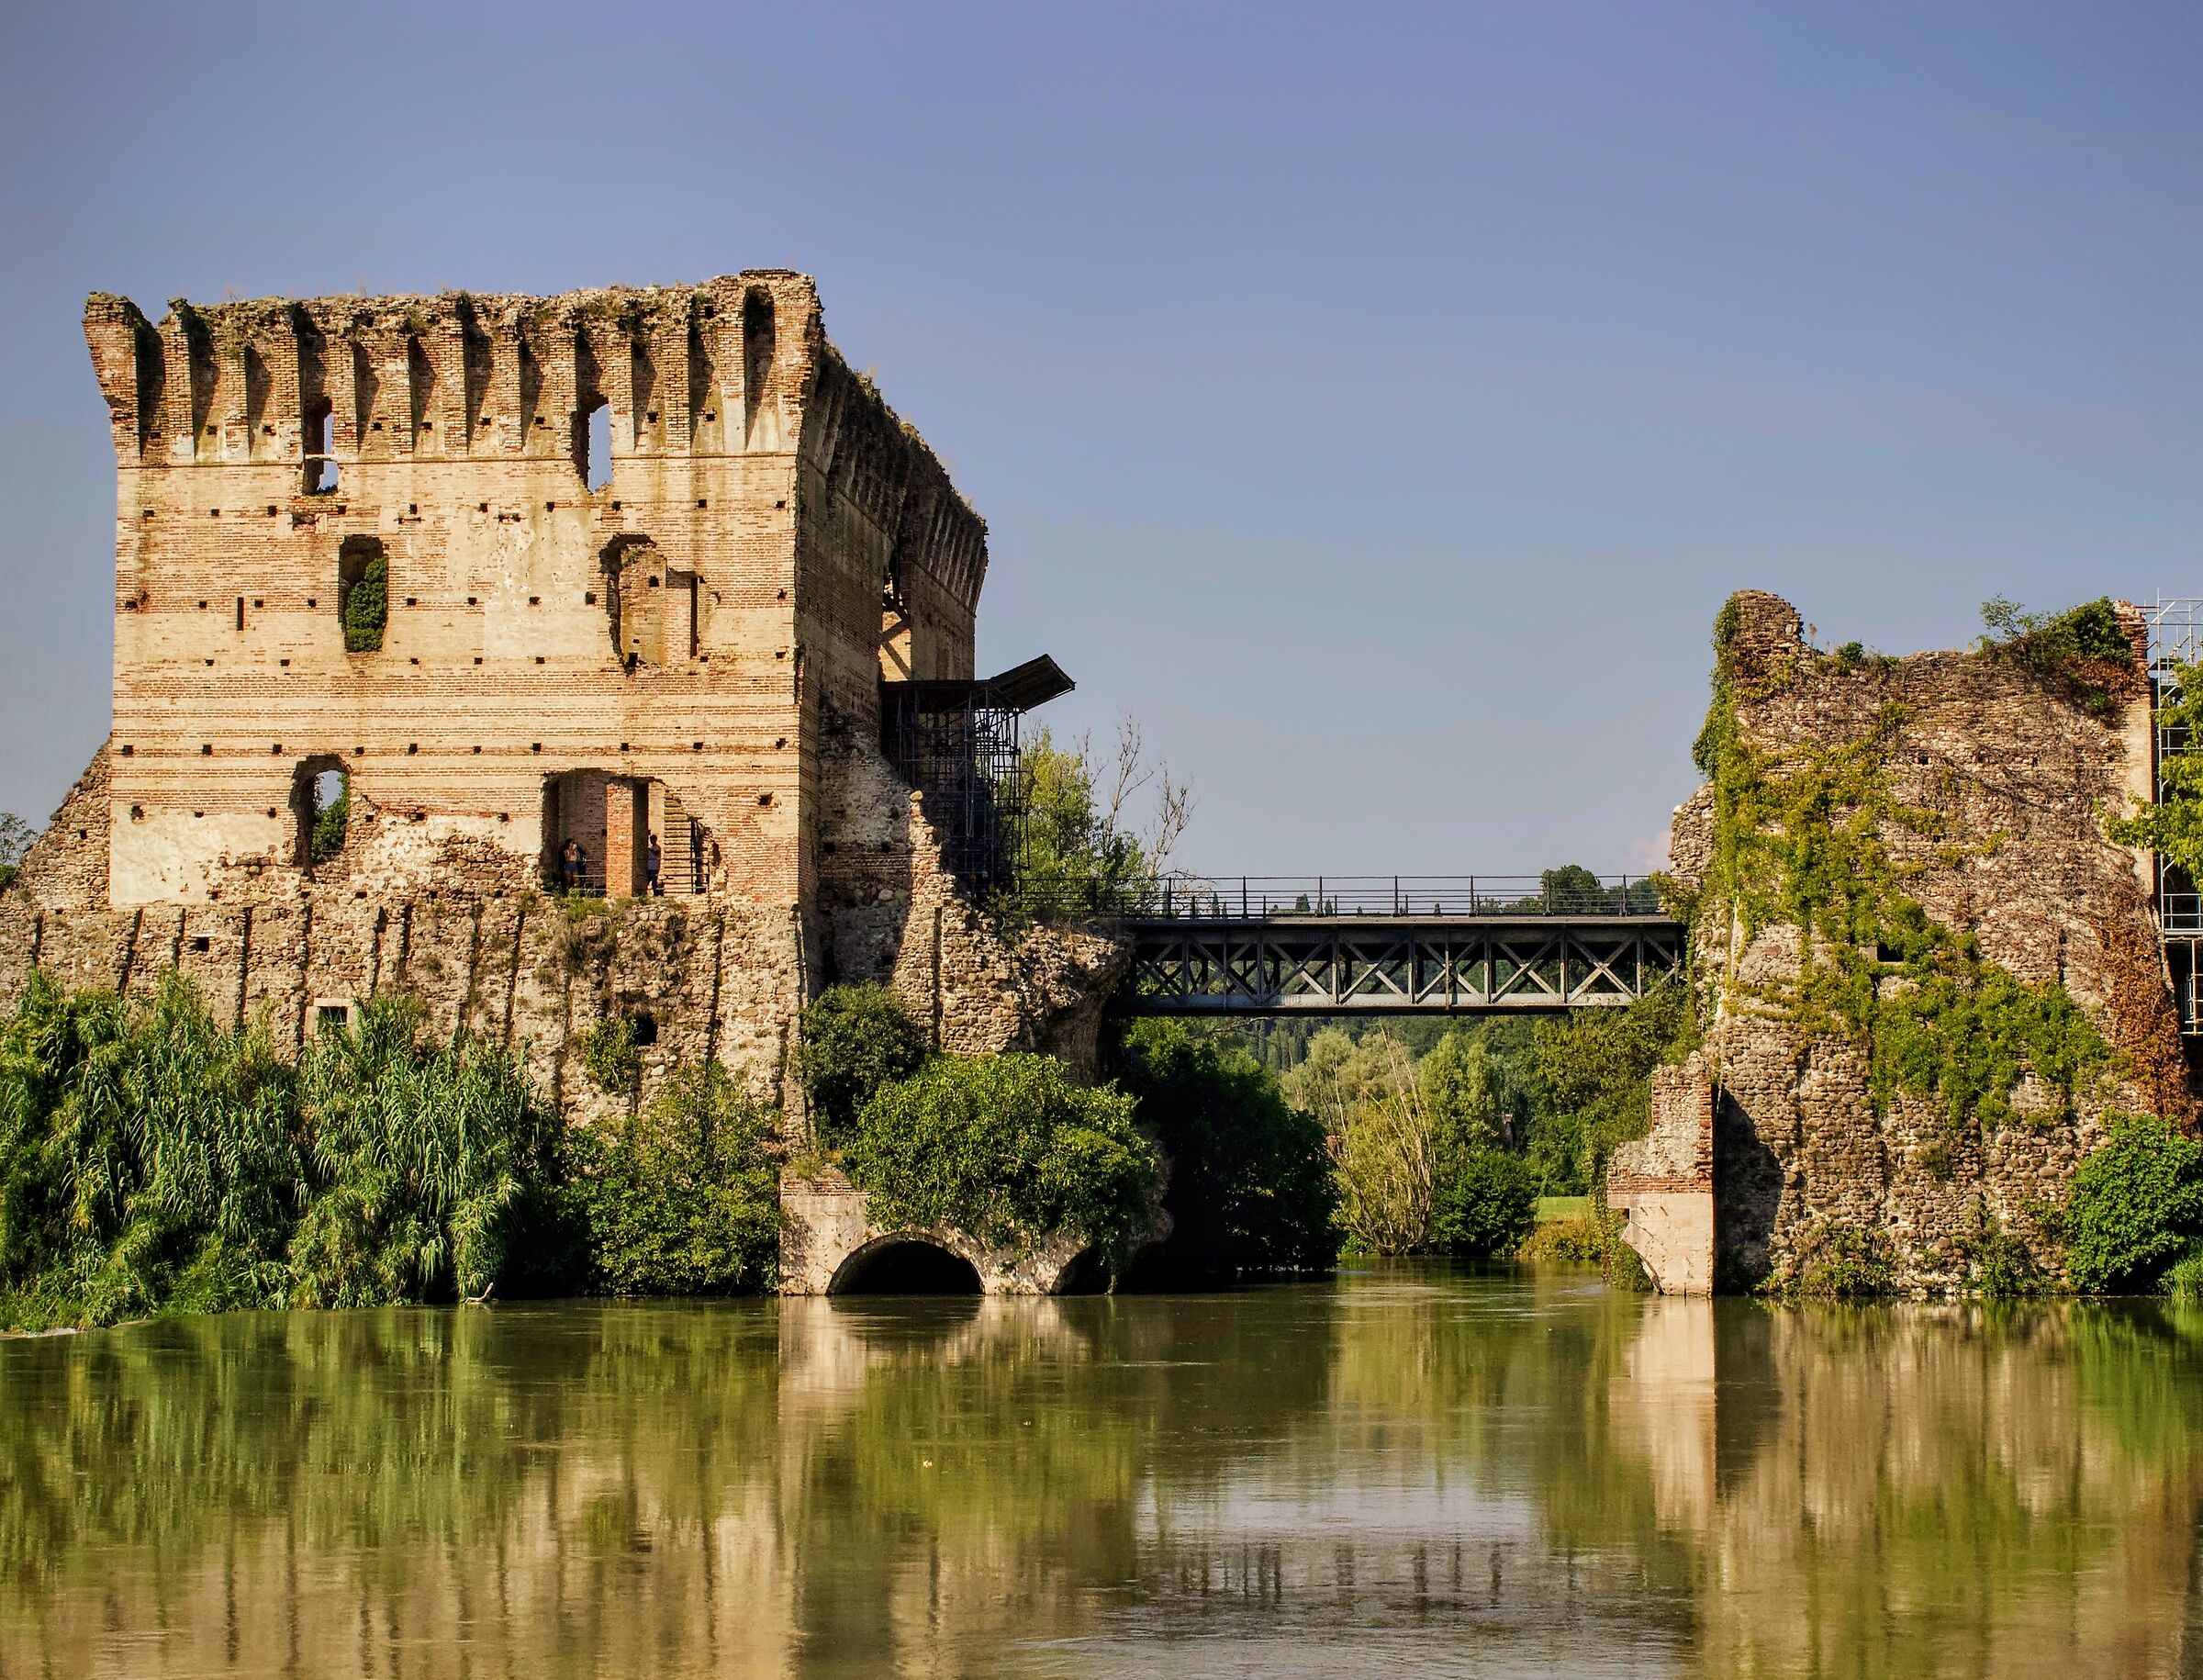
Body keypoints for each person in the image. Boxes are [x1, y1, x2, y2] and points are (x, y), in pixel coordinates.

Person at [645, 832, 663, 896]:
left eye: (652, 839)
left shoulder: (657, 847)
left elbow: (656, 853)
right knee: (647, 880)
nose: (651, 841)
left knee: (654, 881)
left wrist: (650, 850)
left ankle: (655, 893)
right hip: (649, 866)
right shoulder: (651, 847)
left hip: (654, 867)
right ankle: (645, 893)